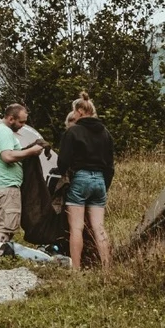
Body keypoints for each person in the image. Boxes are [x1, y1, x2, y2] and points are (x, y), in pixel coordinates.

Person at [56, 91, 114, 271]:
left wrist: (66, 176)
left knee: (76, 228)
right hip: (100, 181)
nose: (72, 114)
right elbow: (110, 165)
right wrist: (105, 185)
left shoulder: (73, 131)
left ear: (80, 111)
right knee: (99, 227)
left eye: (74, 111)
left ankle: (76, 270)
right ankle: (107, 268)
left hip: (80, 179)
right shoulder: (106, 133)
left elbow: (62, 162)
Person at [0, 104, 46, 249]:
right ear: (11, 118)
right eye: (21, 122)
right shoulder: (4, 132)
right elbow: (7, 156)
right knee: (6, 228)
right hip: (6, 187)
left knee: (7, 226)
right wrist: (31, 151)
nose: (23, 126)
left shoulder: (0, 131)